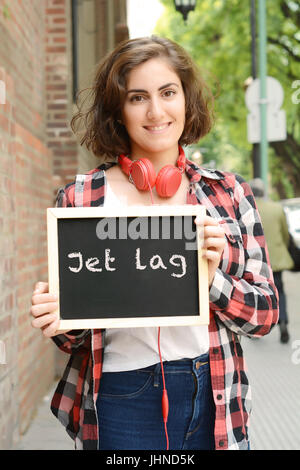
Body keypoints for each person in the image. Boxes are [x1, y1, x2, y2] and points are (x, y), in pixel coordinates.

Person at [30, 36, 278, 451]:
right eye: (137, 97)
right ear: (118, 112)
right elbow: (74, 338)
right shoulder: (81, 199)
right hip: (121, 395)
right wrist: (59, 319)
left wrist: (210, 276)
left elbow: (266, 315)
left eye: (168, 93)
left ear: (186, 100)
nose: (156, 111)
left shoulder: (229, 194)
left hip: (215, 390)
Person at [249, 178, 293, 343]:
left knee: (257, 292)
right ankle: (283, 321)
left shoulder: (249, 209)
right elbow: (285, 234)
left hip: (255, 260)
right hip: (276, 259)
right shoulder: (277, 208)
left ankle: (257, 326)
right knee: (279, 291)